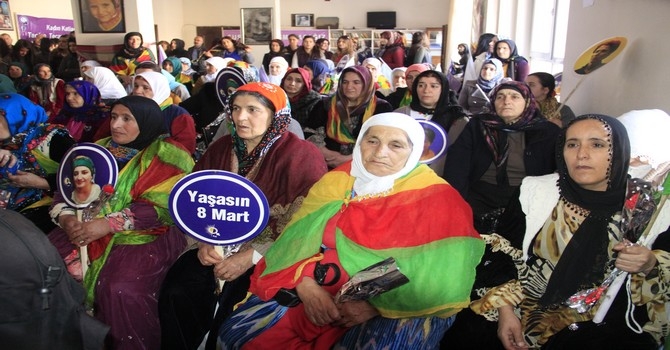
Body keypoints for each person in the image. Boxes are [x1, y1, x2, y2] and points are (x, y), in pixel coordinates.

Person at [218, 112, 485, 349]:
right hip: (317, 281)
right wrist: (306, 286)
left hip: (397, 297)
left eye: (396, 145)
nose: (380, 153)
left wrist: (374, 306)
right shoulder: (336, 182)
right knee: (237, 335)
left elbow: (444, 272)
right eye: (372, 141)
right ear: (359, 144)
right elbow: (295, 240)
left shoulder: (437, 197)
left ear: (414, 153)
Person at [464, 114, 669, 350]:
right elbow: (501, 251)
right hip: (520, 313)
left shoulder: (651, 210)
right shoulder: (537, 192)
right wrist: (505, 310)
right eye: (572, 144)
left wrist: (650, 263)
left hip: (601, 331)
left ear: (620, 150)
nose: (582, 154)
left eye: (597, 144)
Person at [158, 82, 327, 350]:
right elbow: (194, 201)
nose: (240, 117)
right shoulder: (221, 148)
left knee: (235, 310)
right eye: (235, 109)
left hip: (271, 252)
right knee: (178, 291)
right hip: (213, 245)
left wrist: (252, 256)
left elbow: (306, 223)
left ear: (276, 114)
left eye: (252, 109)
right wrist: (203, 242)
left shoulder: (301, 156)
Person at [48, 95, 194, 350]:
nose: (116, 125)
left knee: (119, 289)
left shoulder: (170, 156)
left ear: (147, 122)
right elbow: (65, 190)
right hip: (84, 227)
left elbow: (164, 206)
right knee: (48, 265)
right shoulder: (96, 150)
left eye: (127, 118)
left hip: (146, 233)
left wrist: (107, 224)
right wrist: (67, 218)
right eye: (114, 117)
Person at [443, 81, 560, 234]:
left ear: (527, 102)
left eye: (514, 97)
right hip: (481, 192)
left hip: (526, 195)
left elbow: (557, 169)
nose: (506, 101)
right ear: (493, 101)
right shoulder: (479, 125)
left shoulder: (546, 131)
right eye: (500, 97)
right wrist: (456, 199)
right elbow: (458, 163)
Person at [0, 93, 75, 234]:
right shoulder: (6, 143)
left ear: (16, 117)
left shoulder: (52, 139)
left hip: (50, 207)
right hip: (11, 206)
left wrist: (41, 183)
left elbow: (83, 177)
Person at [304, 65, 392, 168]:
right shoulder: (325, 104)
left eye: (356, 82)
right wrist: (329, 155)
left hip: (365, 165)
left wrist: (349, 159)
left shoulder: (381, 108)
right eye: (345, 82)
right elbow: (309, 132)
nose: (349, 87)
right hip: (325, 163)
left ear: (367, 84)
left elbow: (384, 140)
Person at [395, 69, 468, 175]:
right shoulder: (399, 114)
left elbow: (460, 155)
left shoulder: (457, 119)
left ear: (443, 89)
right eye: (421, 85)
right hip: (401, 174)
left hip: (441, 176)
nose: (426, 90)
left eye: (433, 86)